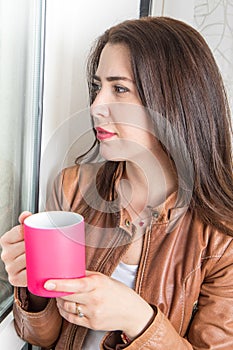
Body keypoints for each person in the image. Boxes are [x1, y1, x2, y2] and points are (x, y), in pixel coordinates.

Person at [1, 16, 233, 349]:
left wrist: (137, 320)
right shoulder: (73, 189)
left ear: (174, 100)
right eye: (98, 87)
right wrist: (30, 288)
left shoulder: (222, 235)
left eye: (119, 89)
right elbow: (44, 336)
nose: (96, 107)